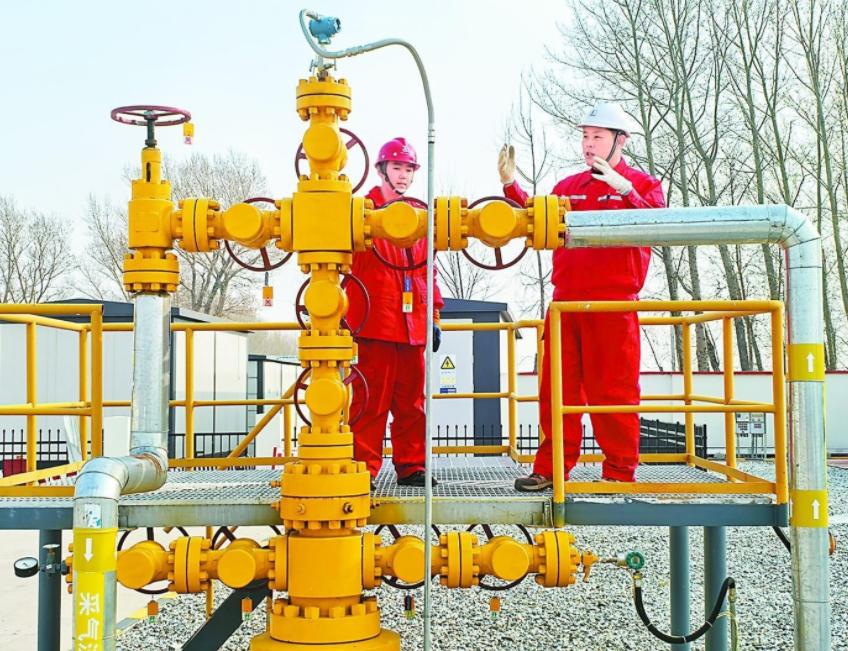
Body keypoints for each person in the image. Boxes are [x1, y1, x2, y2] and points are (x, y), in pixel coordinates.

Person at [499, 103, 666, 490]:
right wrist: (511, 186)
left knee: (614, 391)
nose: (589, 144)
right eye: (585, 137)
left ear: (621, 141)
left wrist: (626, 191)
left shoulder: (643, 185)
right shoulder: (569, 188)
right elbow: (535, 218)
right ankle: (550, 468)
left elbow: (658, 225)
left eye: (597, 137)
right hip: (566, 304)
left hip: (614, 305)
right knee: (557, 389)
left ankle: (619, 472)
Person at [346, 137, 443, 487]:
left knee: (412, 403)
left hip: (412, 326)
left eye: (408, 169)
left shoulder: (419, 217)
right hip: (375, 324)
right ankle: (363, 468)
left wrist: (434, 316)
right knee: (371, 401)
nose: (403, 175)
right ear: (382, 170)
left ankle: (412, 466)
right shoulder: (360, 213)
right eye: (397, 167)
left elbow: (427, 271)